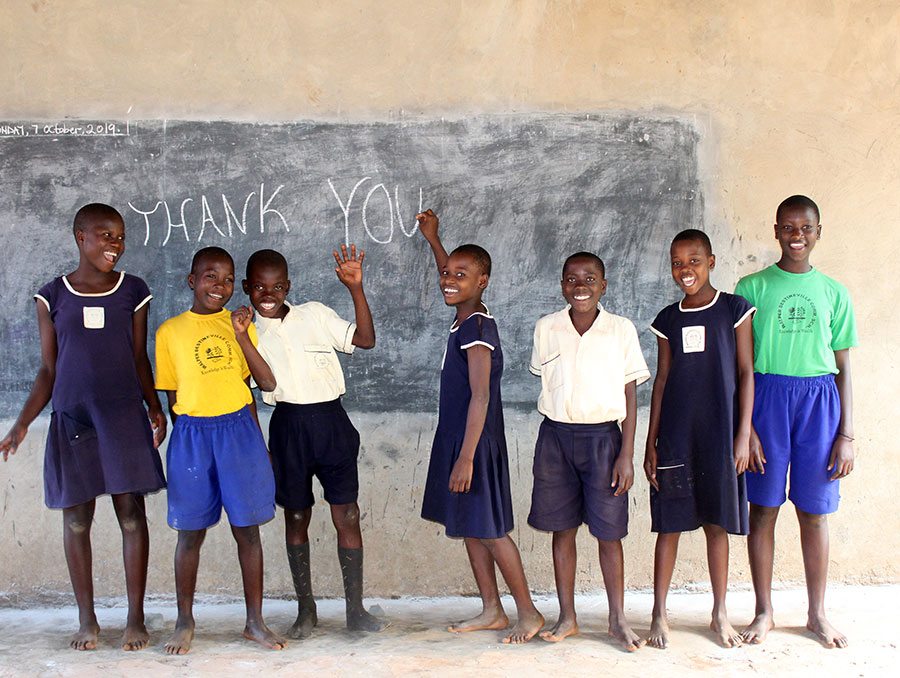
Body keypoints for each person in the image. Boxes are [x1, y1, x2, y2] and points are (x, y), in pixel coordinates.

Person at [0, 203, 166, 651]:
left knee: (131, 515)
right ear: (81, 237)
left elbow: (138, 357)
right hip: (74, 418)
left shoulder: (134, 290)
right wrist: (20, 425)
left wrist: (155, 406)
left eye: (119, 237)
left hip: (122, 415)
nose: (115, 244)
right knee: (76, 519)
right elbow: (47, 371)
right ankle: (87, 620)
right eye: (105, 235)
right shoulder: (52, 295)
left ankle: (135, 619)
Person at [242, 245, 385, 638]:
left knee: (347, 515)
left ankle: (355, 609)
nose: (268, 294)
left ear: (288, 286)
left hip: (332, 422)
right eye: (258, 287)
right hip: (288, 426)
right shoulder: (246, 331)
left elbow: (366, 340)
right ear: (246, 289)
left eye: (276, 286)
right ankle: (307, 609)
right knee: (296, 516)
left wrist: (356, 288)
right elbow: (260, 386)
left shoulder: (315, 314)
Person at [417, 209, 544, 644]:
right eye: (447, 272)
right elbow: (451, 276)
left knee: (490, 529)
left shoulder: (477, 327)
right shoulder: (464, 315)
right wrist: (436, 240)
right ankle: (492, 609)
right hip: (458, 438)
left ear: (483, 281)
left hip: (474, 443)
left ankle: (527, 613)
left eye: (462, 274)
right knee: (470, 526)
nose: (449, 279)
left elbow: (482, 396)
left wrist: (467, 457)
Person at [735, 195, 856, 649]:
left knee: (815, 511)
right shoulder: (751, 288)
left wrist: (845, 433)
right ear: (776, 230)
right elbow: (739, 368)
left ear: (818, 232)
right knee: (763, 508)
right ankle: (764, 609)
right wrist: (746, 428)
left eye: (805, 228)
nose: (797, 236)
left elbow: (843, 367)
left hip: (820, 402)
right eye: (788, 227)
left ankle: (816, 613)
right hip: (767, 398)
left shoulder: (835, 292)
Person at [155, 246, 284, 654]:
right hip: (193, 435)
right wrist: (189, 445)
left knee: (248, 531)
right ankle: (184, 619)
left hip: (239, 433)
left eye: (228, 279)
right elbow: (174, 397)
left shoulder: (240, 324)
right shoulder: (170, 332)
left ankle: (255, 622)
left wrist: (256, 442)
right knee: (189, 534)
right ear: (192, 281)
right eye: (211, 276)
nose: (220, 286)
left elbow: (259, 386)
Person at [527, 251, 650, 651]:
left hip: (604, 441)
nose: (580, 286)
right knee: (562, 529)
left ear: (604, 285)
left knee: (608, 532)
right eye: (571, 279)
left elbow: (630, 395)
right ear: (562, 284)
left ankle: (617, 619)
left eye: (590, 279)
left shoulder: (620, 329)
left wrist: (626, 454)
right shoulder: (547, 328)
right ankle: (568, 616)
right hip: (556, 439)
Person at [643, 230, 755, 649]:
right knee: (668, 526)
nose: (684, 269)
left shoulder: (733, 309)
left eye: (693, 260)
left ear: (711, 260)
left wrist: (743, 434)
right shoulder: (668, 318)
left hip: (720, 434)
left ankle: (720, 612)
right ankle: (659, 613)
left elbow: (746, 373)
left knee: (716, 524)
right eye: (676, 262)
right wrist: (651, 441)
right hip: (676, 436)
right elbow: (662, 381)